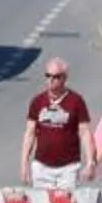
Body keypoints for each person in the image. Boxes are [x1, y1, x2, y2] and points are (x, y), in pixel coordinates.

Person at [23, 59, 90, 195]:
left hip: (68, 168)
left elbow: (85, 133)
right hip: (42, 167)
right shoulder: (37, 101)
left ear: (64, 78)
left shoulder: (76, 101)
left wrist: (90, 162)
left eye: (56, 76)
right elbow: (29, 133)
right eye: (48, 76)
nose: (51, 80)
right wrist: (24, 163)